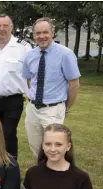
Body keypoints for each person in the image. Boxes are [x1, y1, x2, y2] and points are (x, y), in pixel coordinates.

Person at [23, 17, 80, 157]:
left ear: (52, 33)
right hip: (32, 109)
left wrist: (65, 107)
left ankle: (57, 176)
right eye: (38, 33)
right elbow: (30, 80)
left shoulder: (65, 54)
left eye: (45, 32)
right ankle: (42, 175)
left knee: (53, 150)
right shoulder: (29, 55)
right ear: (33, 35)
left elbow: (74, 84)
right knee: (36, 147)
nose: (42, 36)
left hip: (53, 110)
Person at [0, 14, 32, 160]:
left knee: (8, 134)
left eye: (5, 26)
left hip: (13, 100)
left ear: (11, 27)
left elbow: (31, 75)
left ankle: (11, 168)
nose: (2, 29)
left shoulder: (23, 47)